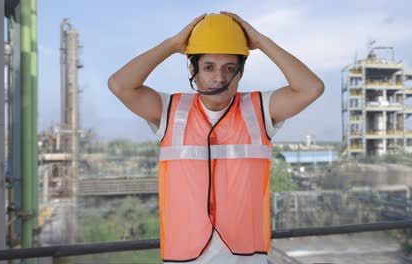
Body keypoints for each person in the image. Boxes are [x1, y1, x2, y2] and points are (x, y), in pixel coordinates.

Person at [108, 12, 324, 264]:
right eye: (209, 67)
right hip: (184, 259)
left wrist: (261, 41)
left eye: (229, 68)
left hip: (246, 259)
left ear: (240, 73)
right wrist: (172, 44)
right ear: (193, 69)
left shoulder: (260, 109)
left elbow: (312, 88)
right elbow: (119, 85)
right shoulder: (169, 110)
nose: (219, 78)